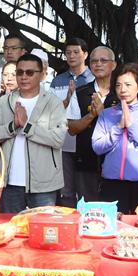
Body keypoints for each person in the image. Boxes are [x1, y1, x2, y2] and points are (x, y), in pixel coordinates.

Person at [0, 53, 67, 213]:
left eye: (30, 72)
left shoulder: (53, 103)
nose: (24, 76)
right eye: (20, 72)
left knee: (42, 226)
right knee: (11, 226)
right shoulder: (5, 101)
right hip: (9, 183)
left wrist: (27, 126)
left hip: (43, 185)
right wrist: (13, 126)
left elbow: (58, 139)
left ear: (42, 75)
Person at [92, 63, 138, 213]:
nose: (123, 89)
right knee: (112, 224)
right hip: (112, 183)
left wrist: (131, 126)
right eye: (118, 85)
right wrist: (118, 128)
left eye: (128, 85)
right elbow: (97, 147)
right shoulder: (107, 114)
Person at [66, 46, 119, 204]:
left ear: (113, 65)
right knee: (88, 210)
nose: (98, 64)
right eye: (94, 61)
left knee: (115, 210)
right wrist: (91, 115)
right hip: (86, 162)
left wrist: (103, 114)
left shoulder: (121, 92)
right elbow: (71, 128)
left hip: (116, 163)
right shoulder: (81, 93)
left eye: (103, 60)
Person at [49, 38, 95, 207]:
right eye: (68, 53)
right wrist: (68, 99)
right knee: (66, 190)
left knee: (88, 190)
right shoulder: (58, 80)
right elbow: (50, 110)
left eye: (76, 52)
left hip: (88, 142)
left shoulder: (94, 79)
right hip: (64, 141)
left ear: (85, 54)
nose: (72, 56)